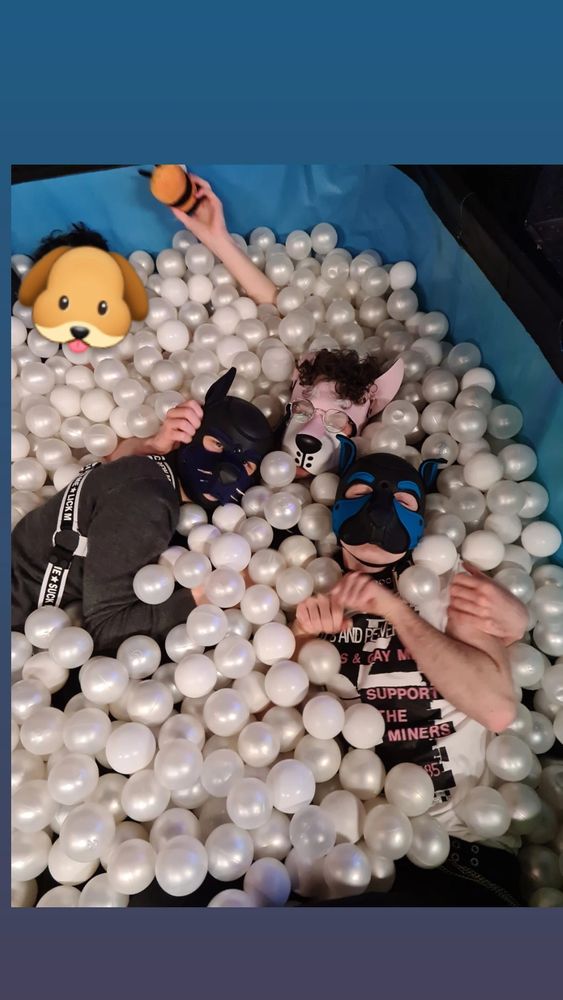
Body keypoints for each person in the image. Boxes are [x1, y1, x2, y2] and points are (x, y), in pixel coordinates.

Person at [294, 443, 529, 906]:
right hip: (354, 852)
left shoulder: (444, 580)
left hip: (459, 852)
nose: (381, 508)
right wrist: (299, 636)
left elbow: (497, 709)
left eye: (403, 501)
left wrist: (395, 611)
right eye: (360, 491)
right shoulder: (310, 592)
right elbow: (280, 727)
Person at [12, 368, 274, 653]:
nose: (227, 473)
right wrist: (208, 594)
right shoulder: (148, 502)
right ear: (191, 434)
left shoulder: (151, 471)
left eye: (245, 466)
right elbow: (105, 630)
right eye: (218, 443)